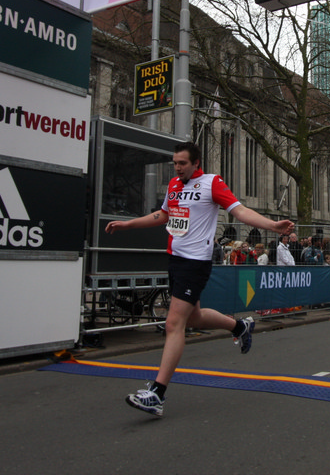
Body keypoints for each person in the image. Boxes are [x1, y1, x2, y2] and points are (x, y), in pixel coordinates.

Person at [105, 141, 293, 417]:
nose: (177, 168)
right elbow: (163, 215)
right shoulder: (174, 185)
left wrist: (272, 225)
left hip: (195, 263)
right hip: (175, 259)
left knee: (174, 323)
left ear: (196, 163)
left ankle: (157, 393)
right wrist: (128, 224)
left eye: (182, 163)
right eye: (175, 163)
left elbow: (240, 211)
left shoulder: (211, 183)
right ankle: (239, 327)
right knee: (193, 318)